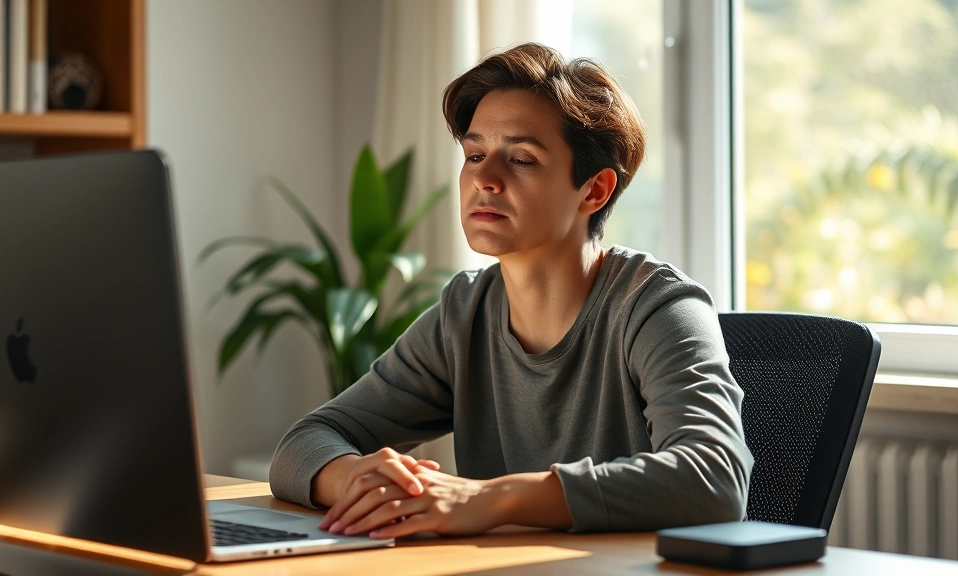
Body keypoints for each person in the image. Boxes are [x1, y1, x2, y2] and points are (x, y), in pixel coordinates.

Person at [269, 42, 753, 539]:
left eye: (521, 159)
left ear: (594, 190)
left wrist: (488, 497)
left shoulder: (657, 307)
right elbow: (304, 443)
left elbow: (714, 478)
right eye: (475, 154)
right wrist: (358, 479)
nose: (483, 177)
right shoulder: (464, 313)